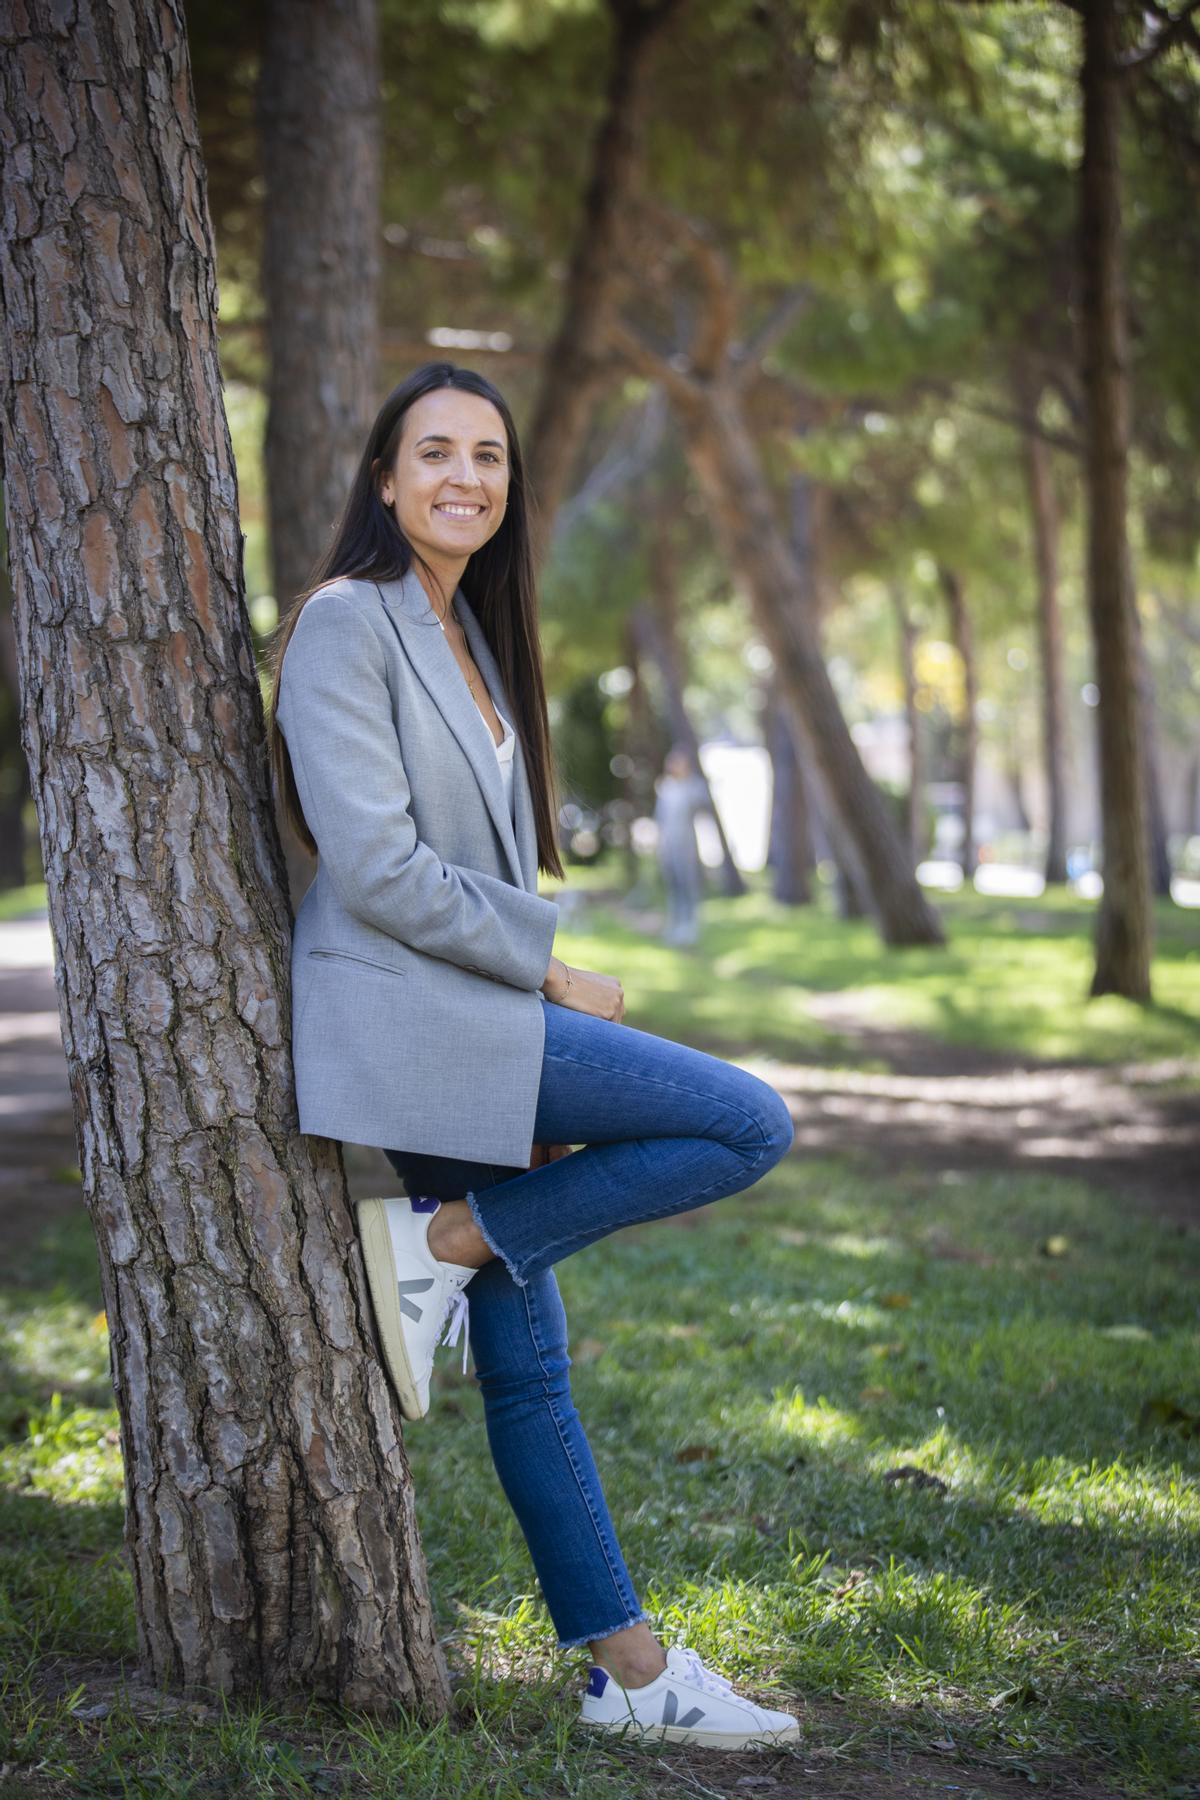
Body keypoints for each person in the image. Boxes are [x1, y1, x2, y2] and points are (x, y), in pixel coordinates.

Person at [267, 361, 798, 1751]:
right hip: (412, 1012)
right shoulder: (345, 623)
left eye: (489, 457)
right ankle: (442, 1241)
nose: (466, 477)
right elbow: (373, 865)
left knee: (531, 1367)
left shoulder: (470, 632)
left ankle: (632, 1674)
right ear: (384, 480)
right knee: (745, 1123)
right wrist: (547, 967)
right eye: (434, 451)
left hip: (470, 1025)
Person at [654, 744, 709, 947]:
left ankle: (690, 926)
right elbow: (660, 818)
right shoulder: (666, 788)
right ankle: (675, 925)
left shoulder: (692, 787)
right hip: (669, 845)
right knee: (673, 885)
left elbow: (703, 806)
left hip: (686, 845)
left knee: (688, 885)